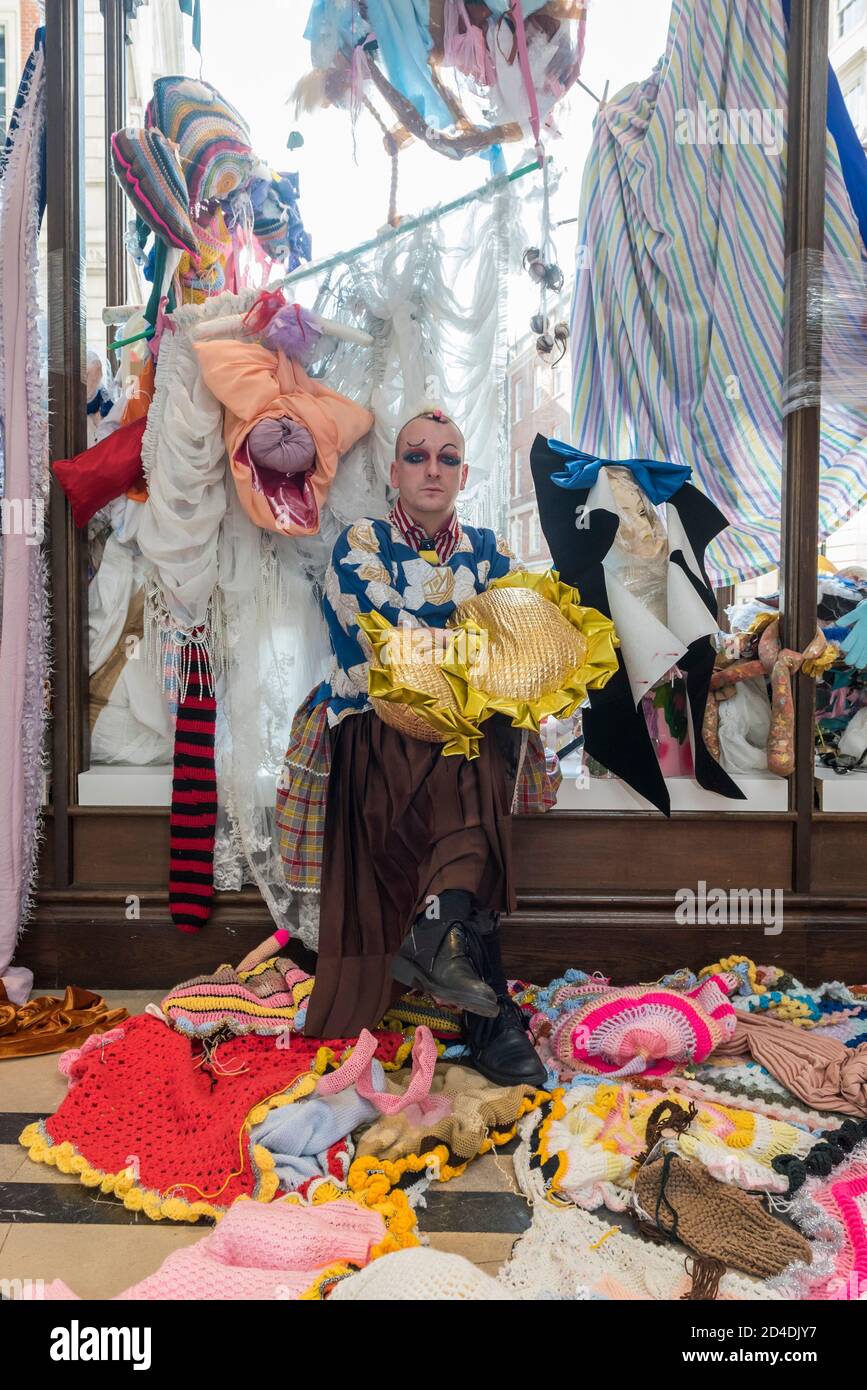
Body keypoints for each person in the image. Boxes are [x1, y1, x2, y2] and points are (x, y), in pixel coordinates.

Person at [241, 405, 558, 1086]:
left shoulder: (493, 551)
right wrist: (467, 643)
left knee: (471, 748)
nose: (432, 468)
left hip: (465, 732)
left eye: (447, 457)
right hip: (374, 727)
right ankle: (483, 1006)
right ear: (393, 472)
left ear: (464, 474)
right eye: (417, 455)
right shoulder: (360, 542)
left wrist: (465, 651)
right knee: (455, 755)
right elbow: (390, 642)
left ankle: (442, 942)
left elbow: (520, 644)